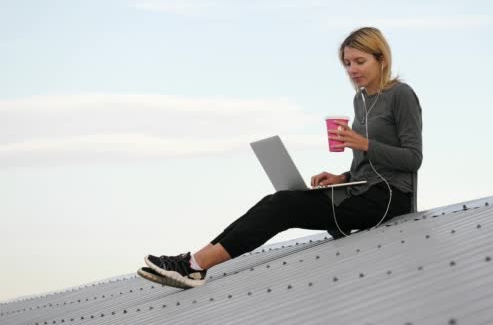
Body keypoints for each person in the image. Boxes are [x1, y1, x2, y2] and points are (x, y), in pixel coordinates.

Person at [137, 27, 423, 289]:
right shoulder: (360, 100)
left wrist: (364, 144)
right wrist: (341, 178)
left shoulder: (401, 95)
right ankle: (194, 263)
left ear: (381, 58)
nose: (352, 70)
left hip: (390, 198)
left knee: (283, 207)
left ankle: (192, 266)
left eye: (360, 62)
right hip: (362, 190)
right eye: (347, 63)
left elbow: (413, 159)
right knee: (277, 200)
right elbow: (370, 165)